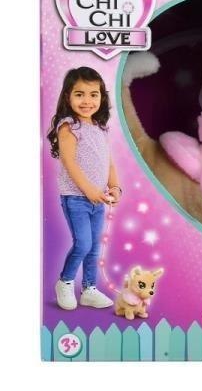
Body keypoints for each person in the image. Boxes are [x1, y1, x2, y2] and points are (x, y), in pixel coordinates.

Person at [47, 66, 121, 310]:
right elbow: (69, 162)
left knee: (94, 247)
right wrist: (88, 190)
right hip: (76, 198)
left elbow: (108, 161)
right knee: (83, 244)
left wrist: (115, 186)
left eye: (93, 94)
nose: (87, 101)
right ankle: (65, 282)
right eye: (79, 94)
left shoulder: (100, 128)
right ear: (68, 96)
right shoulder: (68, 126)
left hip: (97, 199)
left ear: (102, 97)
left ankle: (89, 289)